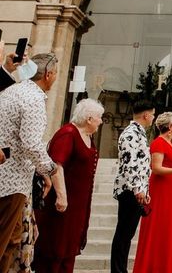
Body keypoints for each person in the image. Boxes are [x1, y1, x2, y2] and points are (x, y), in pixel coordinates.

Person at [0, 53, 61, 273]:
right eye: (55, 74)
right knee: (5, 240)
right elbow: (31, 144)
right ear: (48, 74)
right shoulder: (34, 99)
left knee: (13, 240)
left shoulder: (11, 90)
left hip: (8, 177)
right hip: (12, 181)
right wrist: (50, 170)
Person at [31, 98, 103, 272]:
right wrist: (62, 196)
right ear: (89, 118)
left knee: (68, 248)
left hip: (78, 206)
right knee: (55, 247)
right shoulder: (68, 133)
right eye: (99, 117)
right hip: (61, 205)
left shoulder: (86, 136)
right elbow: (57, 164)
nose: (101, 121)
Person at [133, 112, 172, 273]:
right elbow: (156, 168)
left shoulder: (171, 143)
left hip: (170, 189)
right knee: (157, 228)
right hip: (160, 190)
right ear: (170, 127)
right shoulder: (159, 143)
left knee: (168, 230)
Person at [110, 100, 155, 273]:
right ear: (145, 115)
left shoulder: (139, 133)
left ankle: (120, 269)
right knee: (124, 233)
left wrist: (145, 189)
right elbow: (130, 164)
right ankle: (118, 270)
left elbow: (142, 164)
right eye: (152, 114)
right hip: (129, 190)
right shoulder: (130, 134)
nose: (153, 117)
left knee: (127, 234)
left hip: (136, 189)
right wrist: (138, 189)